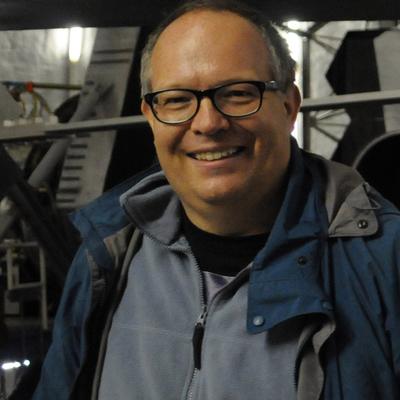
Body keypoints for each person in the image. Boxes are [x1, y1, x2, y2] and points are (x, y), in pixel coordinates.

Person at [33, 1, 400, 399]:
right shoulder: (107, 254)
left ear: (289, 106)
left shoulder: (383, 263)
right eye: (177, 99)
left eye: (238, 93)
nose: (208, 123)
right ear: (151, 117)